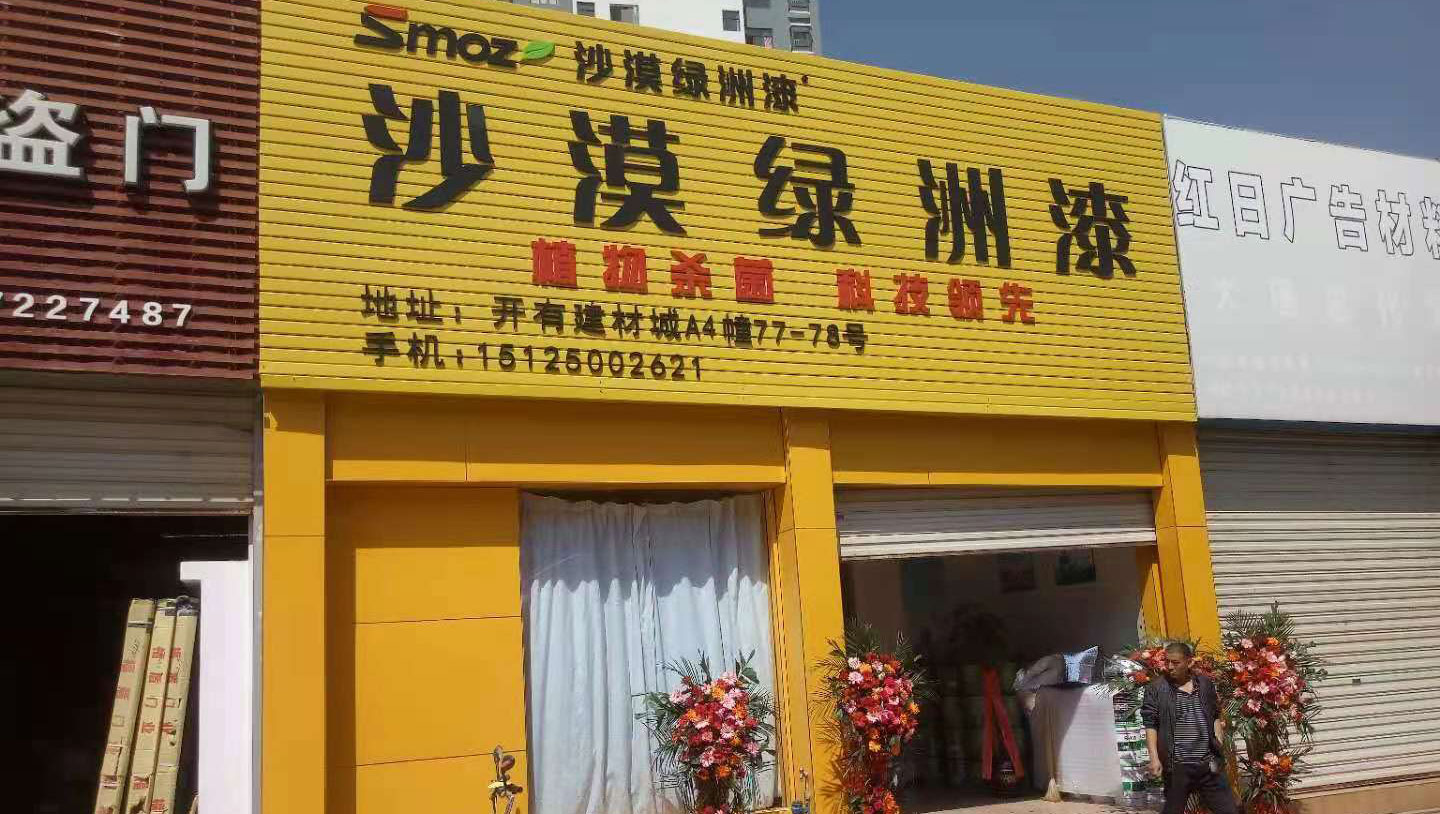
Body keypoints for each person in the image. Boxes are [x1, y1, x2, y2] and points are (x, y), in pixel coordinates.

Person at [1140, 642, 1237, 814]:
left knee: (1229, 810)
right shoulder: (1157, 688)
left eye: (1175, 662)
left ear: (1189, 662)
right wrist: (1154, 758)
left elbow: (1214, 714)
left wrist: (1218, 739)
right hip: (1178, 766)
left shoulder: (1205, 684)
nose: (1170, 667)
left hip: (1207, 764)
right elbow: (1150, 724)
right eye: (1167, 662)